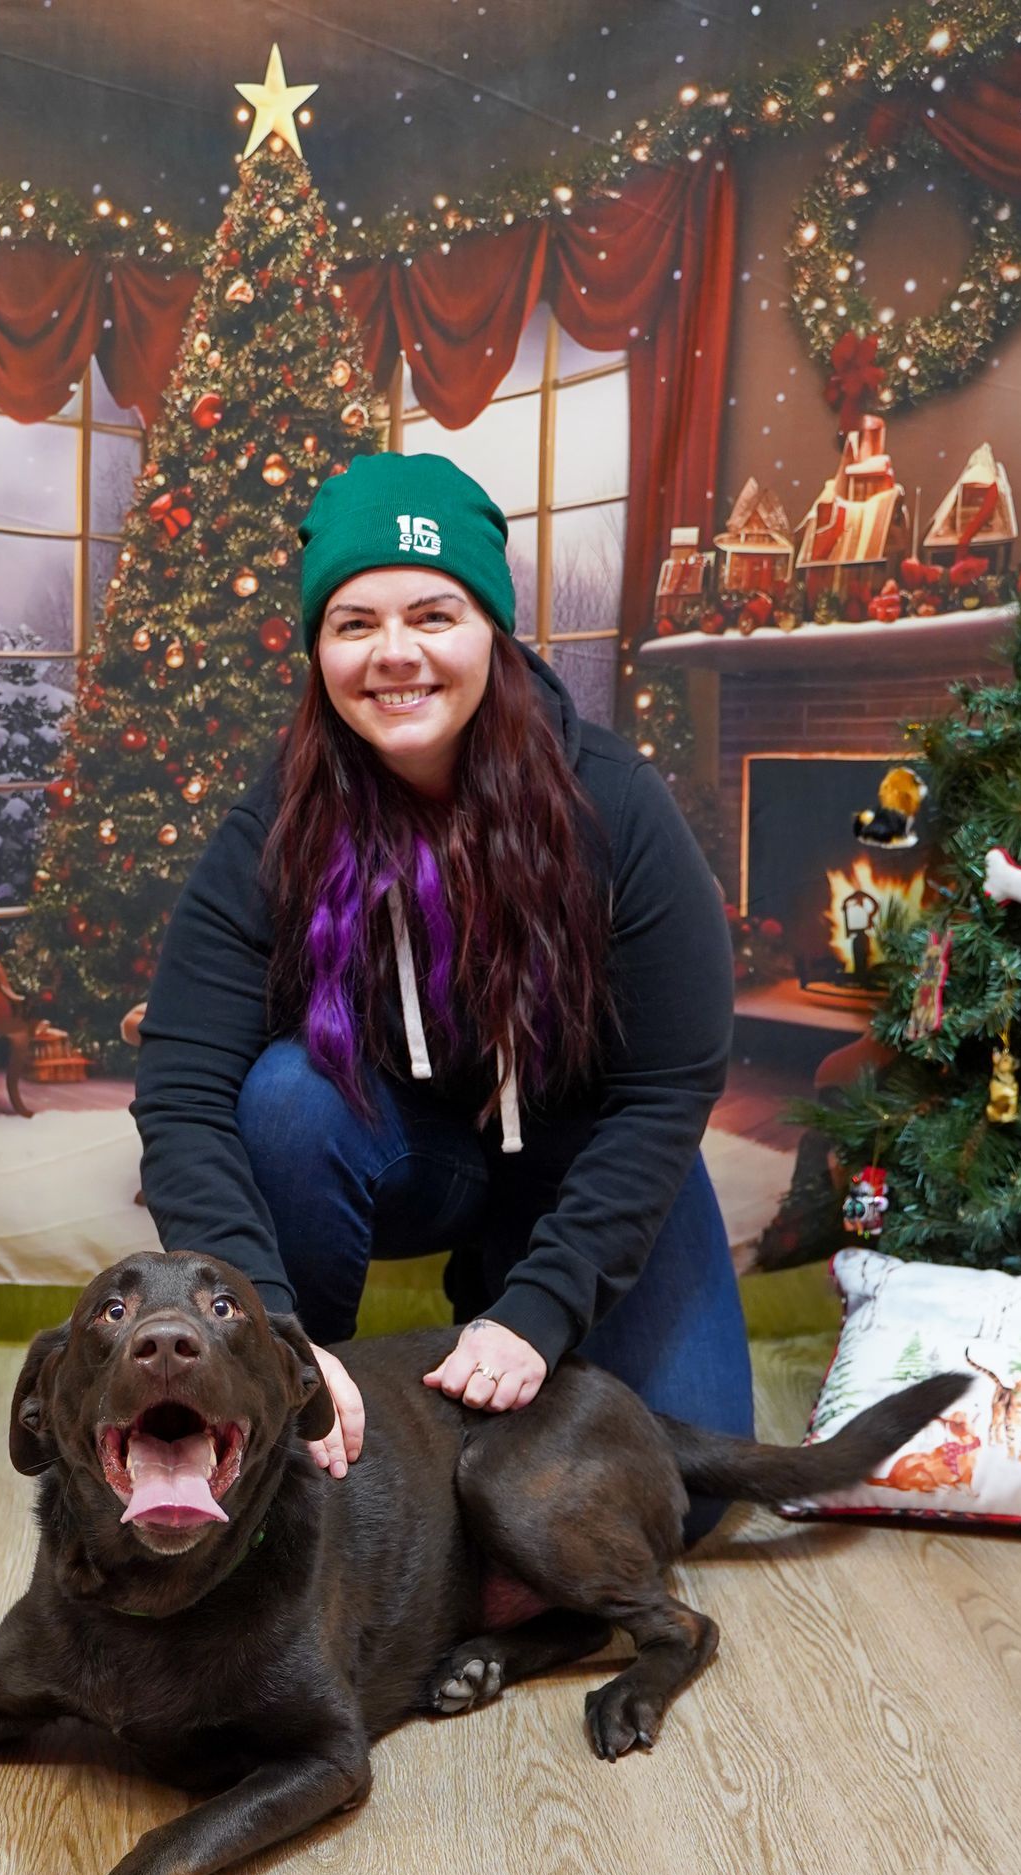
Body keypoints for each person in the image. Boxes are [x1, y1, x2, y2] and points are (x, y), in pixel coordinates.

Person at [131, 450, 752, 1544]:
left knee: (679, 1506)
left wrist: (541, 1309)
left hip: (584, 1154)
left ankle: (503, 1303)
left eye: (434, 614)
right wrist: (270, 1338)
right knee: (283, 1097)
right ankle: (308, 1415)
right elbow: (181, 1091)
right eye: (355, 623)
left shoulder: (615, 805)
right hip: (416, 1155)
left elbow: (668, 1088)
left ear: (494, 633)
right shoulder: (274, 825)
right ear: (318, 648)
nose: (396, 654)